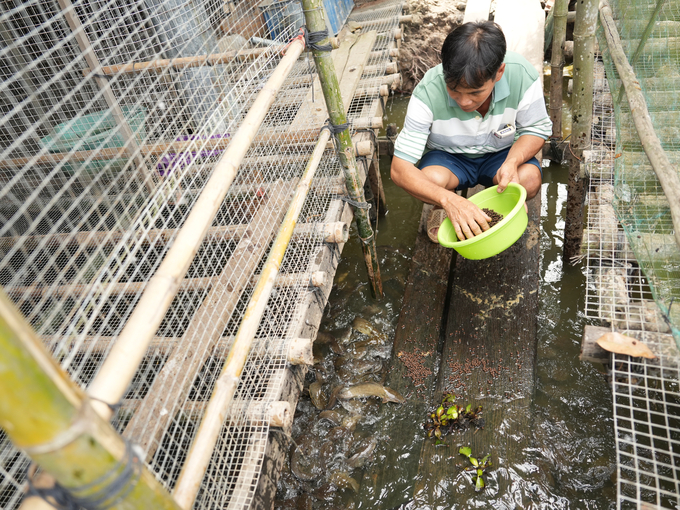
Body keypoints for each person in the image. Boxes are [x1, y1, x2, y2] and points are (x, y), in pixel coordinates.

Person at [391, 21, 552, 243]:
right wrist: (448, 200)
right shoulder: (428, 91)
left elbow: (537, 128)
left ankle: (489, 205)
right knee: (430, 180)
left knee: (529, 180)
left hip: (500, 153)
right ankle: (443, 206)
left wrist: (512, 162)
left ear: (499, 73)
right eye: (454, 91)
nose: (465, 102)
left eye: (476, 92)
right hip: (449, 158)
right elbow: (400, 170)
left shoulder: (522, 75)